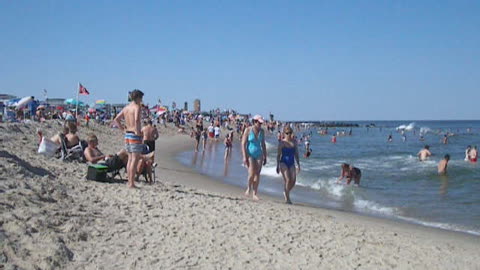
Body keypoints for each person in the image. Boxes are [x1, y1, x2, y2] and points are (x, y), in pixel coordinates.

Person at [112, 89, 145, 188]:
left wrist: (123, 129)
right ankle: (131, 182)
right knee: (134, 159)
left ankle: (129, 181)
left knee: (130, 158)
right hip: (134, 134)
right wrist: (138, 132)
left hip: (128, 134)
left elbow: (116, 119)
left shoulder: (126, 108)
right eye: (141, 98)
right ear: (138, 98)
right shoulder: (137, 107)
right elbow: (137, 120)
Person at [241, 115, 267, 200]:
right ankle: (249, 187)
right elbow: (243, 143)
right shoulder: (248, 130)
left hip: (259, 154)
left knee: (257, 174)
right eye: (259, 123)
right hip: (250, 154)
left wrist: (265, 155)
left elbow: (263, 144)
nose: (260, 124)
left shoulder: (262, 131)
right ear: (254, 122)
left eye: (261, 123)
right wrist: (244, 156)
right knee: (251, 173)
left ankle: (255, 193)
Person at [276, 126, 300, 204]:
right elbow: (278, 155)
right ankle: (287, 198)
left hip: (291, 162)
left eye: (290, 133)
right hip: (283, 162)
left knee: (293, 180)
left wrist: (298, 164)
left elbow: (296, 153)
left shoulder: (294, 142)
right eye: (287, 133)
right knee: (288, 179)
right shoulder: (282, 143)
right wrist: (277, 166)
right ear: (284, 133)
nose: (288, 135)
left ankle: (286, 191)